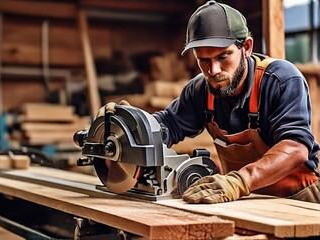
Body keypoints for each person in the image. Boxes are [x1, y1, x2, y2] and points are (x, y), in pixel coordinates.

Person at [100, 0, 320, 203]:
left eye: (223, 57)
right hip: (248, 202)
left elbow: (296, 146)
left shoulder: (280, 80)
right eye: (203, 60)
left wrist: (240, 181)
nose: (213, 71)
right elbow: (168, 125)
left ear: (247, 47)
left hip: (300, 199)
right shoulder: (199, 90)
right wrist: (134, 125)